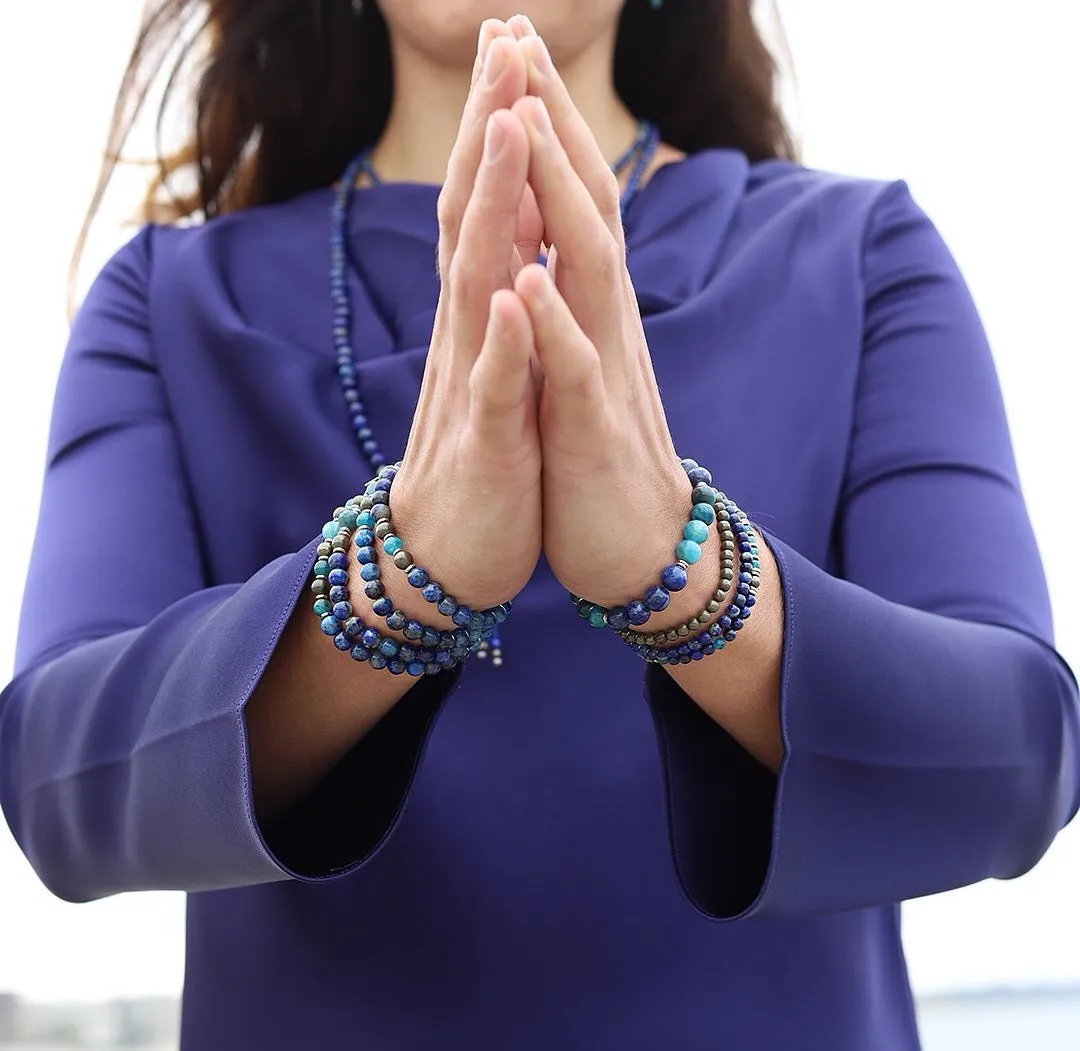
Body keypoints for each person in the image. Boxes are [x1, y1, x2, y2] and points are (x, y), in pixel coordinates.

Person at [1, 1, 1077, 1047]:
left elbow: (1018, 759)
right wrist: (404, 571)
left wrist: (679, 564)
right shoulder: (166, 298)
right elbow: (57, 780)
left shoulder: (860, 252)